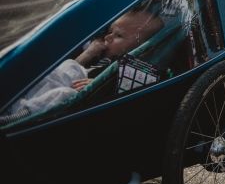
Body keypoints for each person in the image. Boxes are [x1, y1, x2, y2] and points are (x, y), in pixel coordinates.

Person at [5, 8, 164, 117]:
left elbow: (121, 91)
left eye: (119, 36)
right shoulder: (105, 57)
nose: (107, 38)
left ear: (140, 46)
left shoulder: (133, 69)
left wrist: (99, 85)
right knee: (65, 69)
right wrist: (88, 54)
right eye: (110, 32)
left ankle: (14, 115)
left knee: (64, 93)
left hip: (40, 105)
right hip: (33, 90)